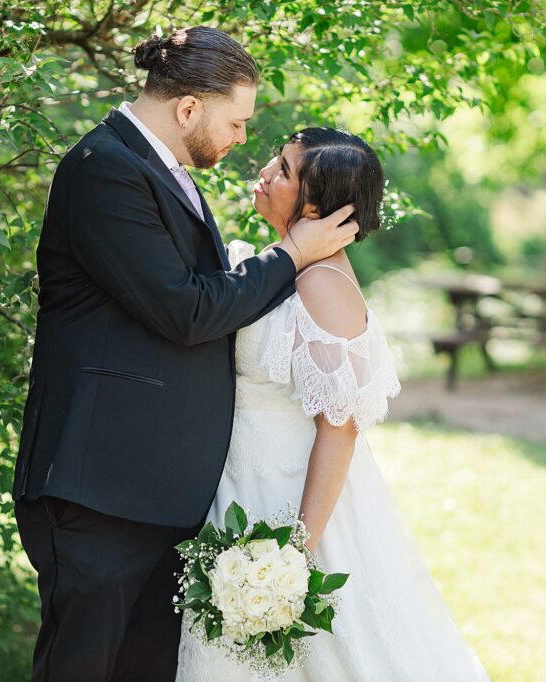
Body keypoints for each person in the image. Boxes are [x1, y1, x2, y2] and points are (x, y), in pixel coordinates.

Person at [11, 27, 358, 681]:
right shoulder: (104, 170)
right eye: (235, 121)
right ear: (189, 108)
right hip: (100, 485)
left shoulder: (160, 171)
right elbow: (188, 310)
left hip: (157, 494)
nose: (239, 140)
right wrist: (294, 253)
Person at [175, 128, 491, 681]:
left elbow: (340, 427)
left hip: (291, 502)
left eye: (284, 169)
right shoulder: (283, 265)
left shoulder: (323, 283)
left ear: (315, 206)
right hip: (240, 483)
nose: (266, 172)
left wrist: (293, 554)